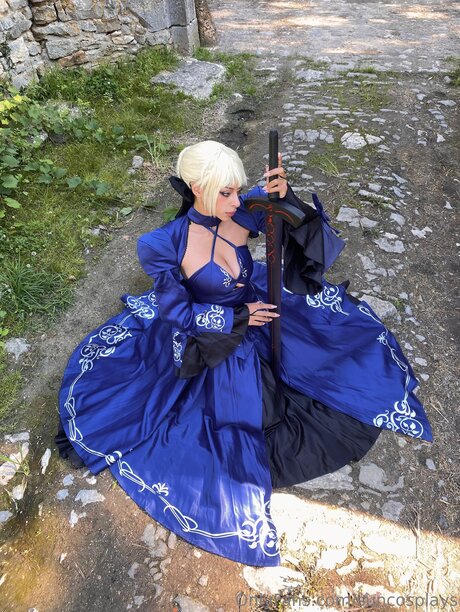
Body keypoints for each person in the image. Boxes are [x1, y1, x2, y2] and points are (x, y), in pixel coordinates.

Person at [56, 140, 432, 567]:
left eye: (237, 190)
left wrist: (284, 195)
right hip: (210, 340)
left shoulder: (239, 211)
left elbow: (299, 227)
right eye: (225, 192)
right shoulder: (163, 244)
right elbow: (177, 313)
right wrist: (236, 318)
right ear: (197, 188)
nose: (236, 202)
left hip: (257, 312)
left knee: (338, 354)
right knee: (228, 419)